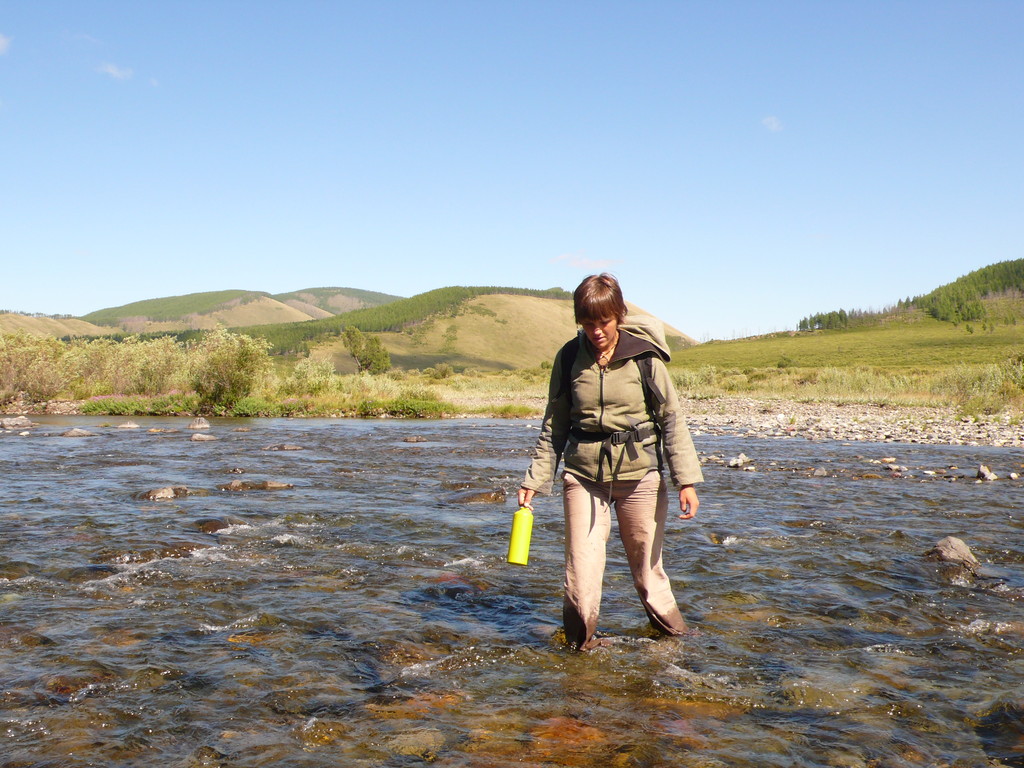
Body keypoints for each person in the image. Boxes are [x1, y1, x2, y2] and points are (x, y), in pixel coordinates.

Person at [518, 273, 703, 651]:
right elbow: (554, 423)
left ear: (618, 315)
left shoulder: (644, 357)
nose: (596, 331)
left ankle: (680, 645)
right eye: (587, 323)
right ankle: (578, 654)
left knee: (648, 574)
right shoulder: (570, 356)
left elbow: (671, 417)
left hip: (640, 477)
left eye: (603, 322)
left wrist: (686, 479)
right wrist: (535, 480)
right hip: (583, 476)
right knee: (580, 576)